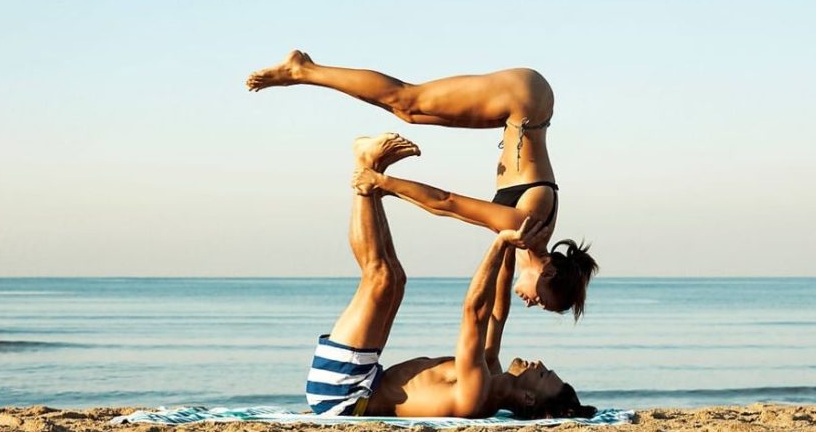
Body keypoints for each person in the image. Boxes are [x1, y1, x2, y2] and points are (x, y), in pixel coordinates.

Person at [247, 51, 598, 318]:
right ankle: (302, 69)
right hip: (524, 98)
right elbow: (447, 202)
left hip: (524, 109)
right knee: (406, 99)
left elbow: (496, 307)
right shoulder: (524, 228)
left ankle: (307, 72)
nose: (532, 303)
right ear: (548, 270)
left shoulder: (522, 245)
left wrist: (491, 360)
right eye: (542, 298)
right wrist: (385, 183)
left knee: (408, 112)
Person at [304, 133, 595, 419]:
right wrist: (510, 248)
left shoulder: (477, 393)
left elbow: (474, 312)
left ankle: (364, 177)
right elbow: (495, 312)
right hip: (365, 379)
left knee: (380, 278)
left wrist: (500, 243)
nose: (539, 363)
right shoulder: (490, 370)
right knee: (396, 279)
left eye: (542, 374)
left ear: (528, 398)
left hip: (344, 391)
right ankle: (373, 173)